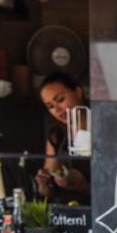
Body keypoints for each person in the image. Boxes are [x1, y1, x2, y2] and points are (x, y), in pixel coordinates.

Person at [34, 72, 91, 204]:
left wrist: (84, 187)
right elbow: (48, 190)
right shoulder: (56, 135)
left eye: (60, 100)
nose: (57, 110)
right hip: (66, 212)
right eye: (50, 106)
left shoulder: (102, 128)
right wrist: (44, 184)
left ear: (78, 92)